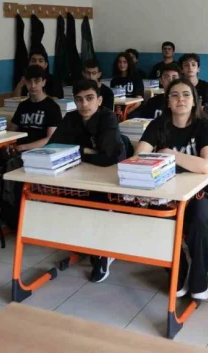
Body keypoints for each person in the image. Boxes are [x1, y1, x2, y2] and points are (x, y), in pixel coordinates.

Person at [136, 78, 208, 300]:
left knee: (202, 222)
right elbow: (138, 157)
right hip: (165, 190)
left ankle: (199, 278)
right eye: (174, 95)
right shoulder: (158, 125)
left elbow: (206, 166)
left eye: (186, 95)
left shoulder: (204, 125)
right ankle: (177, 271)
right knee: (158, 221)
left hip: (198, 190)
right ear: (168, 102)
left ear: (194, 101)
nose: (180, 99)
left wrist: (170, 154)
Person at [48, 79, 127, 283]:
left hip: (111, 175)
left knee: (97, 201)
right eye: (79, 99)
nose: (84, 104)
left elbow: (108, 157)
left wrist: (77, 152)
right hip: (82, 174)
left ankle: (103, 252)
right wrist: (87, 151)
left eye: (90, 98)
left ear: (99, 100)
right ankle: (87, 243)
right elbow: (53, 148)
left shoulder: (107, 117)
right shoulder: (71, 118)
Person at [9, 65, 62, 152]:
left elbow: (50, 139)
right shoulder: (23, 105)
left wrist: (24, 147)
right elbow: (11, 131)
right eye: (29, 82)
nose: (33, 85)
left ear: (43, 82)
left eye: (37, 81)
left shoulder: (53, 107)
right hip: (18, 150)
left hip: (39, 151)